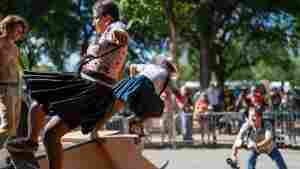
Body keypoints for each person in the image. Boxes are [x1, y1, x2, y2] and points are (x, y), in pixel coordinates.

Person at [6, 1, 129, 169]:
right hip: (81, 84)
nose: (93, 23)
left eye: (95, 18)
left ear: (106, 19)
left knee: (50, 134)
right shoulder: (102, 37)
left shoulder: (114, 28)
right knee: (38, 102)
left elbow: (118, 30)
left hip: (92, 91)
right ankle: (31, 142)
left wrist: (118, 32)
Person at [112, 58, 178, 135]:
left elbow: (132, 66)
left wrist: (132, 79)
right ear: (169, 69)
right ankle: (136, 122)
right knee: (158, 108)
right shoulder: (167, 75)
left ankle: (134, 123)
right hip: (147, 88)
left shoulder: (150, 66)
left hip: (134, 83)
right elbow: (175, 91)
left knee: (119, 99)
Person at [0, 15, 29, 137]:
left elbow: (17, 68)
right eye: (18, 30)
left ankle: (7, 153)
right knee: (7, 125)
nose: (20, 34)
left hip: (16, 87)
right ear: (7, 27)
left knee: (14, 127)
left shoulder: (15, 48)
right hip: (4, 87)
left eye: (21, 32)